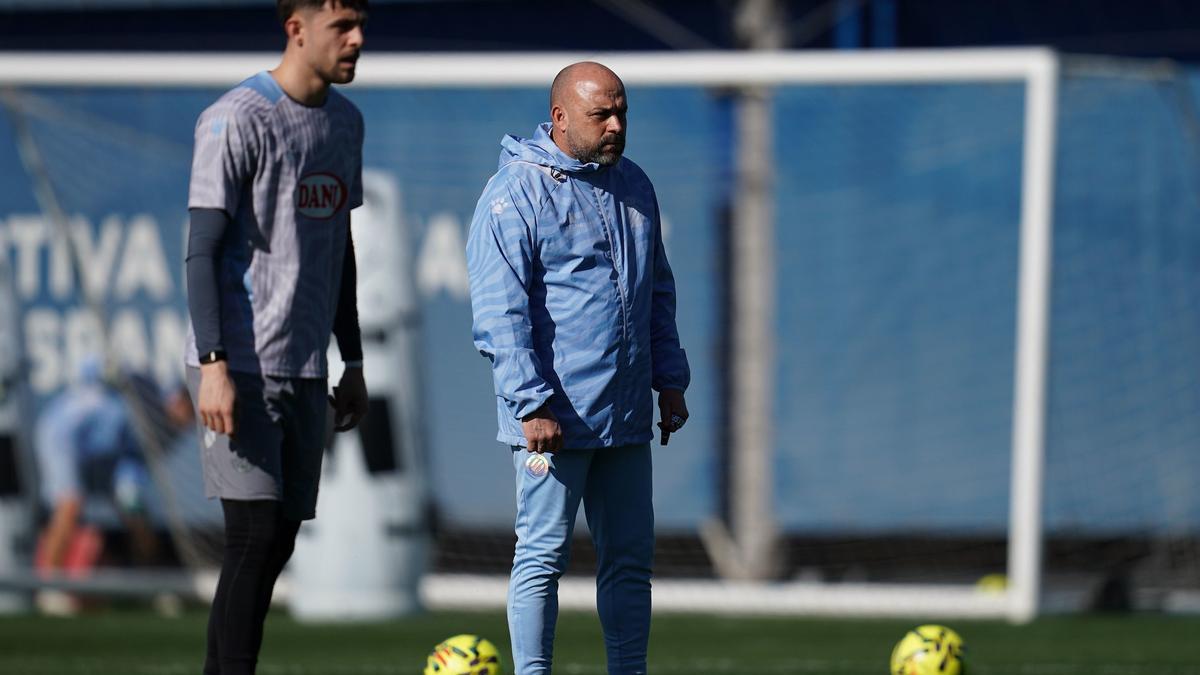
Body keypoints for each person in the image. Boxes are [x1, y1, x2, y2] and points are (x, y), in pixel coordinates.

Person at [467, 61, 691, 675]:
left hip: (624, 415)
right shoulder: (514, 193)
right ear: (561, 118)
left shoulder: (636, 184)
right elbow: (498, 311)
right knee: (542, 556)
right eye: (602, 114)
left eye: (622, 113)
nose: (616, 125)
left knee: (629, 561)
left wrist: (669, 377)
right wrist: (530, 402)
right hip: (553, 418)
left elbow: (657, 291)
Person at [183, 0, 368, 672]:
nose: (358, 39)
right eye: (341, 27)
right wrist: (212, 363)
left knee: (278, 539)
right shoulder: (236, 118)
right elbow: (202, 249)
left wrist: (353, 357)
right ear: (296, 29)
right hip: (240, 361)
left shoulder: (346, 123)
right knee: (253, 535)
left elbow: (339, 247)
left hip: (308, 365)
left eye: (361, 25)